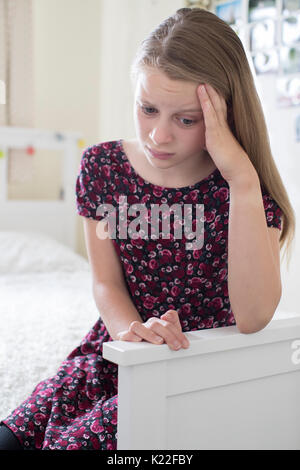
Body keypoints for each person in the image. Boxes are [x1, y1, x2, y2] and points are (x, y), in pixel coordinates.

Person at [0, 7, 295, 451]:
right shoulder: (101, 168)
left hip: (195, 366)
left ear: (226, 115)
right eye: (148, 109)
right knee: (14, 436)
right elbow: (105, 283)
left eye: (187, 119)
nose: (158, 136)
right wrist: (129, 332)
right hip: (120, 345)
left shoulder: (246, 192)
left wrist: (242, 179)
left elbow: (253, 317)